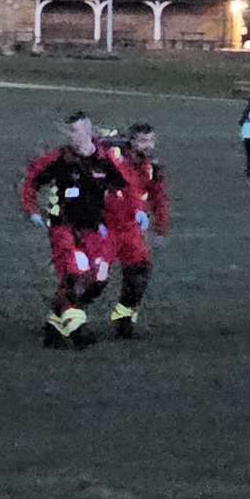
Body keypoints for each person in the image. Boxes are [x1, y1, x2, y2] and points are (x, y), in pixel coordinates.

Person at [20, 112, 129, 349]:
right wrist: (32, 210)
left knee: (98, 279)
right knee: (74, 273)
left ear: (89, 132)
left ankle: (55, 324)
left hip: (94, 229)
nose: (72, 137)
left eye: (76, 131)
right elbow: (32, 180)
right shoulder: (59, 159)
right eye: (69, 132)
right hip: (64, 227)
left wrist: (132, 214)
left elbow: (125, 186)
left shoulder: (105, 160)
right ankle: (77, 328)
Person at [99, 122, 170, 339]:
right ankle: (63, 316)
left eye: (151, 140)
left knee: (139, 273)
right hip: (104, 229)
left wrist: (161, 228)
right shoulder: (113, 160)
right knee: (94, 280)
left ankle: (124, 319)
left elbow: (159, 199)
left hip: (130, 231)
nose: (148, 146)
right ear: (131, 141)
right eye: (142, 141)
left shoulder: (151, 168)